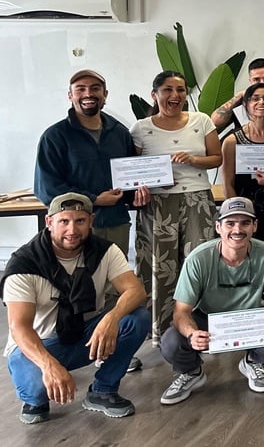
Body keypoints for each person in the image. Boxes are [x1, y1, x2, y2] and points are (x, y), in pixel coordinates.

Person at [2, 193, 151, 424]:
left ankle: (103, 390)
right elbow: (19, 328)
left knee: (137, 318)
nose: (72, 230)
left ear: (91, 221)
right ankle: (35, 394)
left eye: (80, 221)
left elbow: (136, 291)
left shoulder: (105, 251)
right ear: (49, 222)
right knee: (37, 396)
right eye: (64, 221)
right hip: (37, 346)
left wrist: (111, 319)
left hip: (86, 335)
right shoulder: (24, 263)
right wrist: (49, 365)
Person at [159, 197, 264, 405]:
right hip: (208, 318)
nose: (237, 230)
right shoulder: (198, 259)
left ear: (255, 226)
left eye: (245, 223)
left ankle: (253, 361)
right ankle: (191, 372)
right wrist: (192, 334)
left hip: (251, 319)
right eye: (230, 223)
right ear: (218, 227)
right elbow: (181, 311)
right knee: (171, 342)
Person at [132, 70, 221, 341]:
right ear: (154, 95)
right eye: (168, 90)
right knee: (159, 264)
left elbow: (216, 158)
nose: (175, 95)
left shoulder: (201, 120)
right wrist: (148, 183)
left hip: (197, 200)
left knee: (199, 261)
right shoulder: (141, 128)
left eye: (180, 90)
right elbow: (133, 170)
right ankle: (161, 329)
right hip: (158, 204)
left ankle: (202, 329)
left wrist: (194, 160)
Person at [35, 69, 137, 257]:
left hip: (116, 225)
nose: (88, 94)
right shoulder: (54, 137)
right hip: (73, 229)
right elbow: (47, 189)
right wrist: (94, 199)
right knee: (75, 275)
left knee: (116, 274)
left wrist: (138, 195)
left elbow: (130, 177)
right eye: (80, 89)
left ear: (105, 94)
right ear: (70, 95)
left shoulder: (120, 133)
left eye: (95, 88)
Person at [219, 83, 264, 247]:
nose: (261, 102)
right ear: (245, 105)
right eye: (255, 99)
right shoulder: (232, 141)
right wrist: (237, 214)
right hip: (245, 208)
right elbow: (227, 183)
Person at [210, 58, 264, 132]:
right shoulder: (240, 103)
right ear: (250, 81)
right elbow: (215, 121)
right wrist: (239, 95)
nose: (262, 83)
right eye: (256, 79)